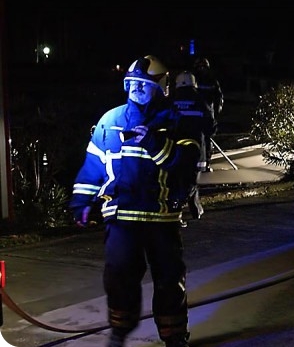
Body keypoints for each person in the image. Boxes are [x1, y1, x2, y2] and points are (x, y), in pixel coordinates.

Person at [70, 55, 201, 347]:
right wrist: (81, 202)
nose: (136, 91)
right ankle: (119, 332)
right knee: (119, 277)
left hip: (162, 219)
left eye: (143, 85)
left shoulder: (178, 122)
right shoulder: (110, 121)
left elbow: (184, 166)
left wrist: (153, 143)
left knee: (169, 280)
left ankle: (174, 337)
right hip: (121, 218)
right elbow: (93, 166)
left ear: (161, 87)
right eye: (131, 84)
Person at [171, 71, 216, 223]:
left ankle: (192, 208)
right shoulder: (200, 99)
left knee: (177, 179)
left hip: (174, 149)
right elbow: (210, 125)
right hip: (196, 148)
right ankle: (188, 208)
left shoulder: (171, 100)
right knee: (192, 180)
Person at [192, 57, 223, 171]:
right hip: (197, 113)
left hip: (207, 113)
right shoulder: (194, 80)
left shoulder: (212, 81)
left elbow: (219, 97)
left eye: (203, 67)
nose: (201, 69)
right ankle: (197, 162)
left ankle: (206, 162)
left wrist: (216, 110)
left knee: (207, 140)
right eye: (199, 67)